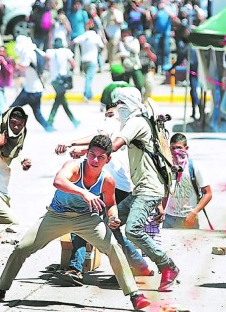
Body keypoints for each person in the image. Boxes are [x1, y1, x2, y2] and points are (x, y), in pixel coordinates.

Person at [0, 135, 151, 311]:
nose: (95, 159)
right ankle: (0, 289)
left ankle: (135, 295)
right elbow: (58, 181)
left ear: (108, 159)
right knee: (22, 248)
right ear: (87, 153)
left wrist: (113, 217)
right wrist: (84, 193)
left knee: (114, 247)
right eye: (92, 154)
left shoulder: (107, 180)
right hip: (57, 215)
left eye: (101, 157)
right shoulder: (74, 167)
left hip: (87, 219)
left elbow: (111, 204)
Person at [54, 103, 154, 286]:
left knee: (84, 220)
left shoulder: (114, 124)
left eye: (111, 112)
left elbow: (101, 141)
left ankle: (75, 269)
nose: (107, 117)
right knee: (110, 229)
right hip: (123, 185)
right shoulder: (128, 126)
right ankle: (139, 265)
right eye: (106, 113)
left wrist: (75, 145)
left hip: (111, 185)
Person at [112, 87, 179, 292]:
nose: (118, 108)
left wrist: (86, 151)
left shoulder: (136, 122)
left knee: (132, 229)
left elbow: (114, 145)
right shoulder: (140, 120)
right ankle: (129, 267)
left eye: (121, 103)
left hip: (147, 189)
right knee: (110, 223)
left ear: (130, 103)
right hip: (142, 189)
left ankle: (167, 265)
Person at [163, 133, 212, 229]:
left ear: (186, 148)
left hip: (188, 219)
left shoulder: (194, 167)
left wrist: (194, 213)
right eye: (173, 148)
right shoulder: (167, 167)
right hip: (169, 218)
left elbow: (208, 193)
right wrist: (161, 209)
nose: (176, 151)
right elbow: (165, 192)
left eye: (179, 148)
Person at [10, 35, 53, 132]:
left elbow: (22, 67)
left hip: (31, 90)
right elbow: (47, 57)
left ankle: (3, 128)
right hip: (34, 89)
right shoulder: (35, 50)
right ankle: (49, 128)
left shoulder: (27, 52)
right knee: (37, 113)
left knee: (12, 110)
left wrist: (13, 64)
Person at [46, 37, 79, 128]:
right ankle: (50, 121)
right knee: (58, 101)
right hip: (63, 80)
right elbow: (73, 63)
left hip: (54, 80)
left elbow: (46, 63)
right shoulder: (66, 51)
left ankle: (74, 121)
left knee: (61, 100)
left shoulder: (50, 52)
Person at [72, 27, 104, 101]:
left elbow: (74, 41)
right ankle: (86, 95)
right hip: (92, 60)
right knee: (88, 79)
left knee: (87, 78)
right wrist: (98, 52)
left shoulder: (84, 36)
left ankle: (90, 95)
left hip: (83, 60)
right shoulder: (96, 37)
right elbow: (102, 46)